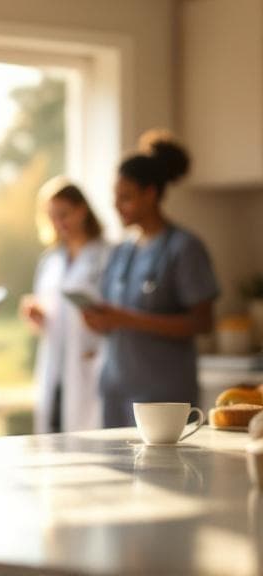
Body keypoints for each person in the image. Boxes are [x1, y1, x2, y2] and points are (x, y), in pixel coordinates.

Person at [81, 130, 219, 428]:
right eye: (115, 198)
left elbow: (202, 323)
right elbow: (114, 317)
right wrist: (101, 321)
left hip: (163, 397)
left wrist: (128, 319)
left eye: (126, 198)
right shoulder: (120, 251)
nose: (117, 206)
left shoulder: (183, 247)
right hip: (116, 390)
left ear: (151, 194)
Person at [21, 177, 110, 433]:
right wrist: (37, 317)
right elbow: (51, 319)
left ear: (82, 210)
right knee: (54, 434)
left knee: (90, 438)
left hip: (90, 361)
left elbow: (114, 311)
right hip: (55, 366)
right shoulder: (50, 261)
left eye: (64, 215)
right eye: (52, 217)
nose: (59, 223)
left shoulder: (106, 255)